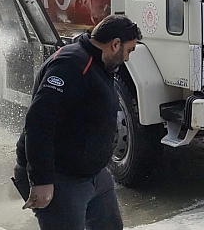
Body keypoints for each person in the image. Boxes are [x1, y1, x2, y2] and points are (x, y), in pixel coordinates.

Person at [13, 15, 143, 230]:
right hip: (60, 177)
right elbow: (39, 123)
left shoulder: (100, 65)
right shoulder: (71, 65)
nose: (127, 58)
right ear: (115, 44)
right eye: (129, 50)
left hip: (94, 174)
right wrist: (41, 180)